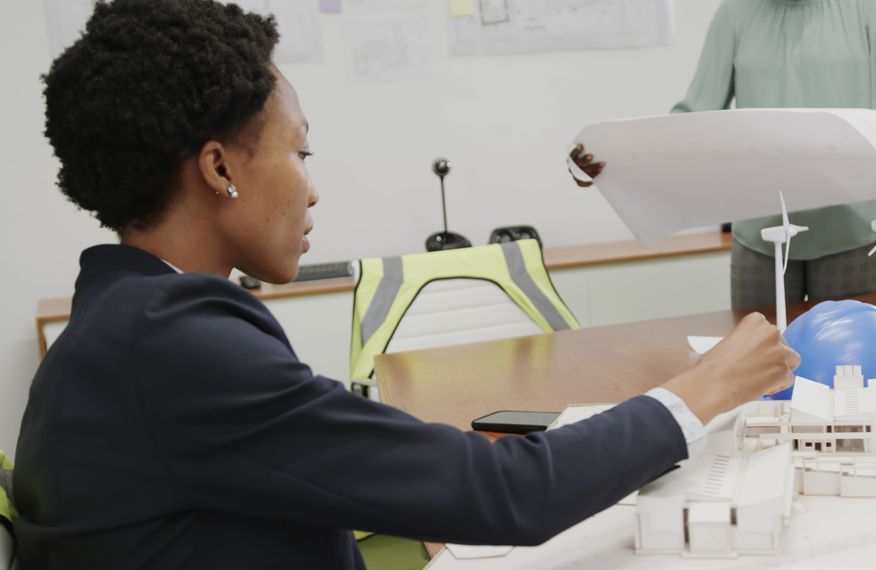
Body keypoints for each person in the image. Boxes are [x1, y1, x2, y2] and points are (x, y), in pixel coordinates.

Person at [13, 1, 799, 568]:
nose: (312, 190)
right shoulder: (168, 343)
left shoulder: (123, 318)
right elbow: (509, 498)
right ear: (219, 167)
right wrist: (700, 391)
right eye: (301, 154)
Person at [571, 0, 876, 310]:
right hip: (760, 233)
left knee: (844, 369)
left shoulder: (875, 9)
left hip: (850, 231)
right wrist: (616, 164)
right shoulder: (735, 15)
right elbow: (692, 120)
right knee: (757, 371)